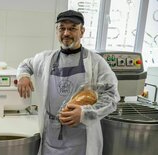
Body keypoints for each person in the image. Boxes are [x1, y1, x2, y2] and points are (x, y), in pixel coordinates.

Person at [17, 10, 120, 155]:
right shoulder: (45, 59)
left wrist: (85, 113)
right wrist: (23, 76)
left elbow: (111, 96)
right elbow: (25, 64)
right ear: (57, 31)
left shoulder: (95, 62)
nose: (66, 33)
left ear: (82, 31)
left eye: (72, 28)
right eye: (62, 28)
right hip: (51, 138)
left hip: (81, 140)